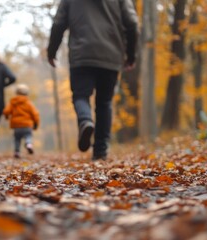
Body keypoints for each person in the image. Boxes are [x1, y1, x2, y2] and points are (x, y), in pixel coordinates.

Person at [47, 0, 138, 160]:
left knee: (81, 96)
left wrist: (52, 51)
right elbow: (132, 23)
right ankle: (100, 151)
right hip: (111, 55)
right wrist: (130, 55)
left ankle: (85, 121)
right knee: (104, 103)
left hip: (81, 55)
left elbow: (59, 23)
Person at [3, 84, 40, 158]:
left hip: (17, 126)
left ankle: (17, 152)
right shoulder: (28, 103)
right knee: (28, 135)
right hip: (27, 125)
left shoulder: (13, 102)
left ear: (16, 92)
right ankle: (29, 144)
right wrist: (36, 124)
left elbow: (6, 111)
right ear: (26, 93)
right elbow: (35, 114)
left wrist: (7, 117)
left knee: (17, 139)